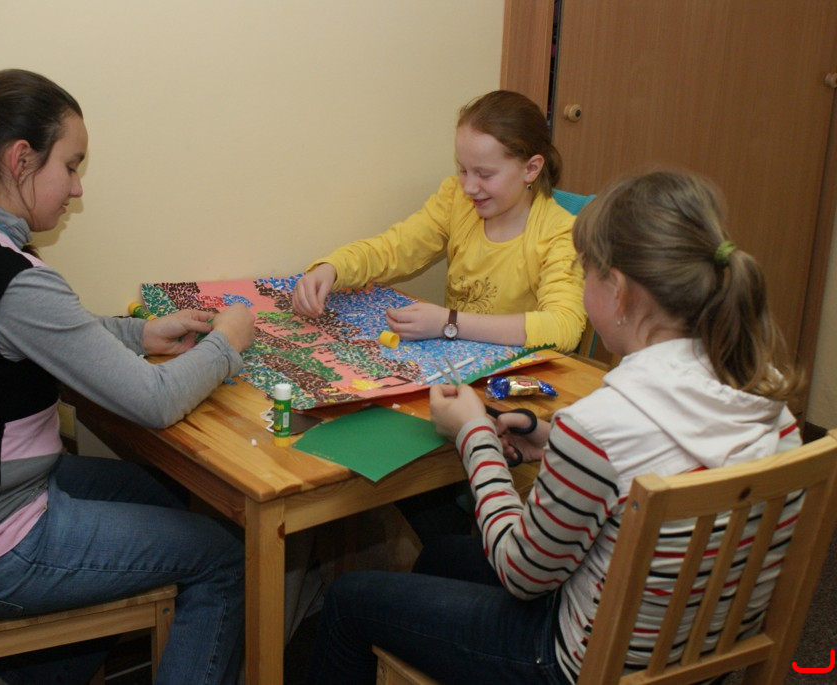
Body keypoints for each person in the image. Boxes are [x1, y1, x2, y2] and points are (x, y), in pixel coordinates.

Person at [307, 169, 803, 684]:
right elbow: (649, 463)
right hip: (690, 650)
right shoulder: (771, 407)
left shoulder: (600, 425)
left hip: (576, 664)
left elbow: (521, 574)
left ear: (618, 291)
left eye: (584, 274)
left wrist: (475, 436)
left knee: (349, 600)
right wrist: (551, 445)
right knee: (443, 557)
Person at [0, 69, 255, 685]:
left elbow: (45, 333)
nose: (77, 189)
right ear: (20, 159)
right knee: (223, 558)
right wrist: (228, 341)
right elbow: (155, 400)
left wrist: (139, 334)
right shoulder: (15, 279)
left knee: (167, 494)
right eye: (71, 166)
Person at [291, 90, 586, 355]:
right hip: (458, 366)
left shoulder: (561, 232)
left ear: (531, 169)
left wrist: (450, 322)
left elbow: (564, 328)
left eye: (484, 174)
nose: (469, 187)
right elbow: (395, 248)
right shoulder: (456, 200)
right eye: (463, 170)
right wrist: (333, 268)